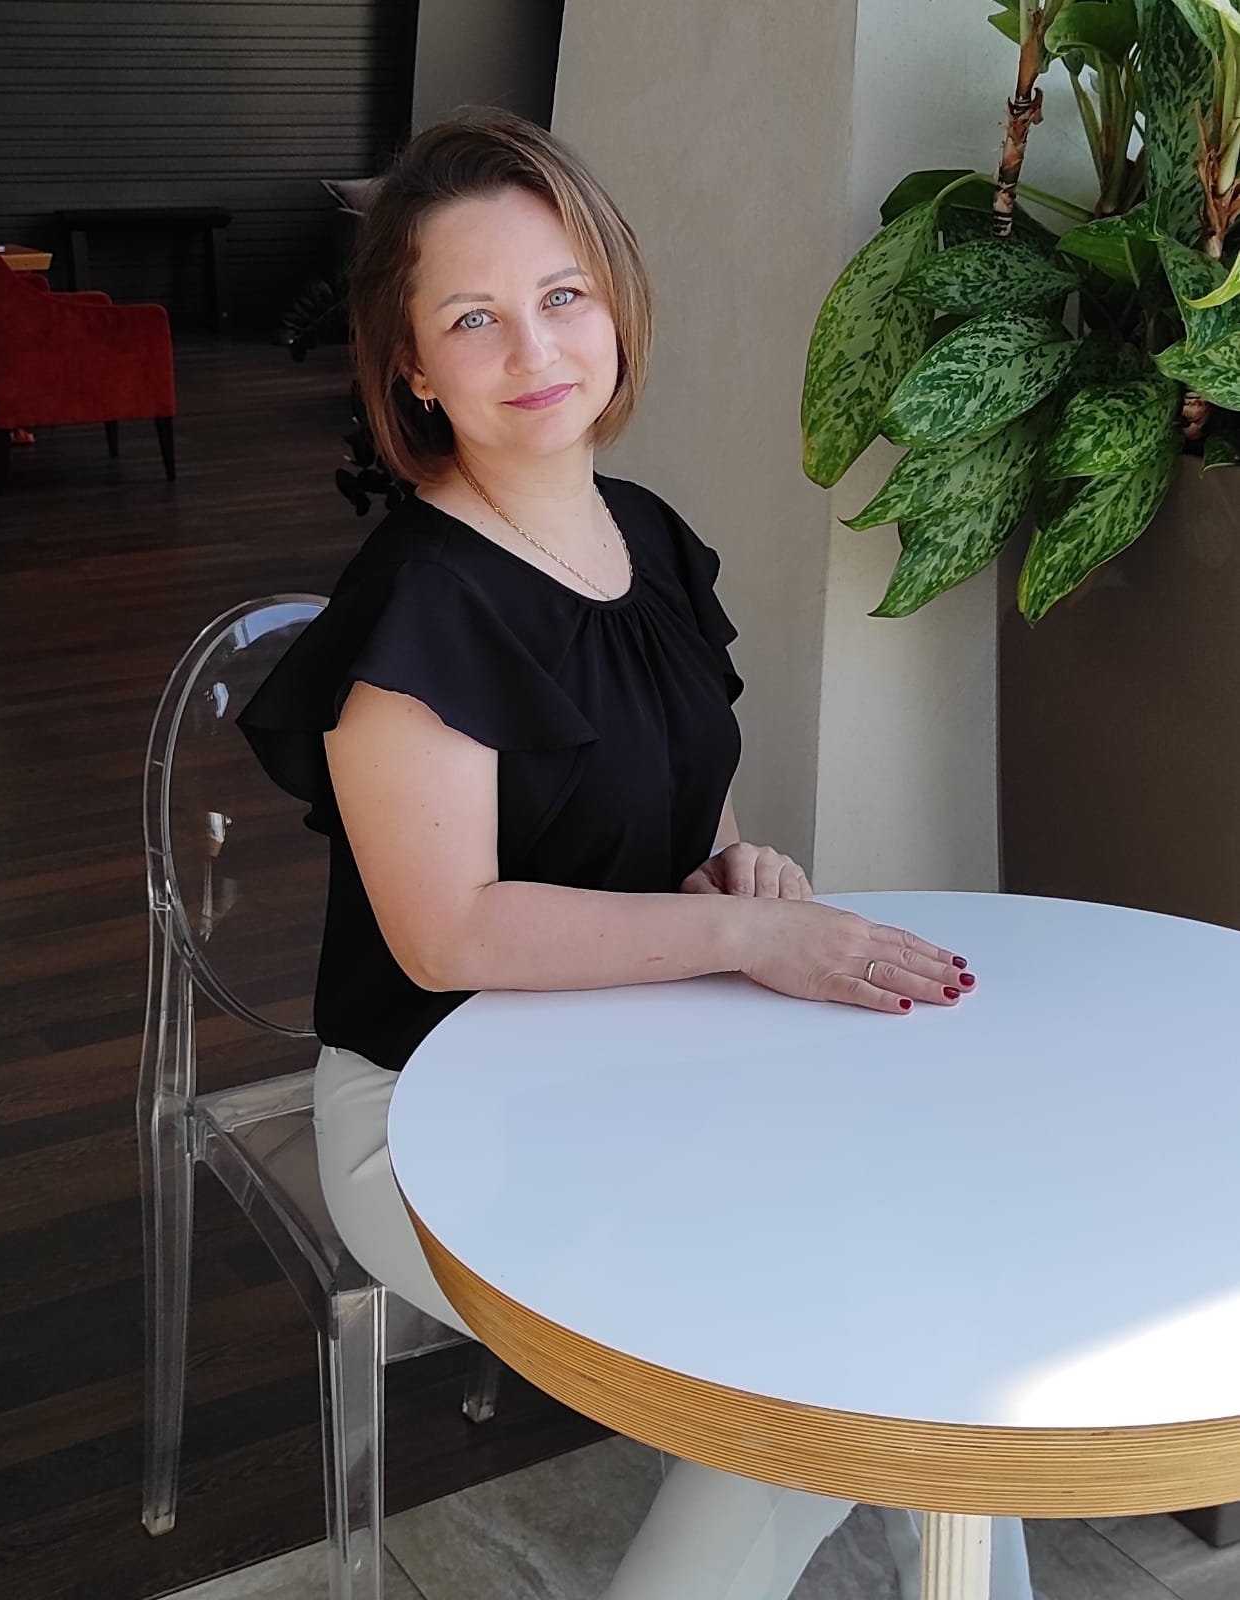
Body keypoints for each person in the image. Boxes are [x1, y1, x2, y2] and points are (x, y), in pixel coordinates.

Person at [238, 109, 1031, 1600]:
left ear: (616, 302)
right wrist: (741, 939)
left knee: (930, 1266)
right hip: (435, 1107)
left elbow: (677, 790)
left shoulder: (647, 537)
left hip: (636, 1044)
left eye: (564, 294)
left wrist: (737, 870)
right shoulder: (419, 602)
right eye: (473, 317)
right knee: (813, 1374)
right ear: (411, 366)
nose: (535, 348)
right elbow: (449, 937)